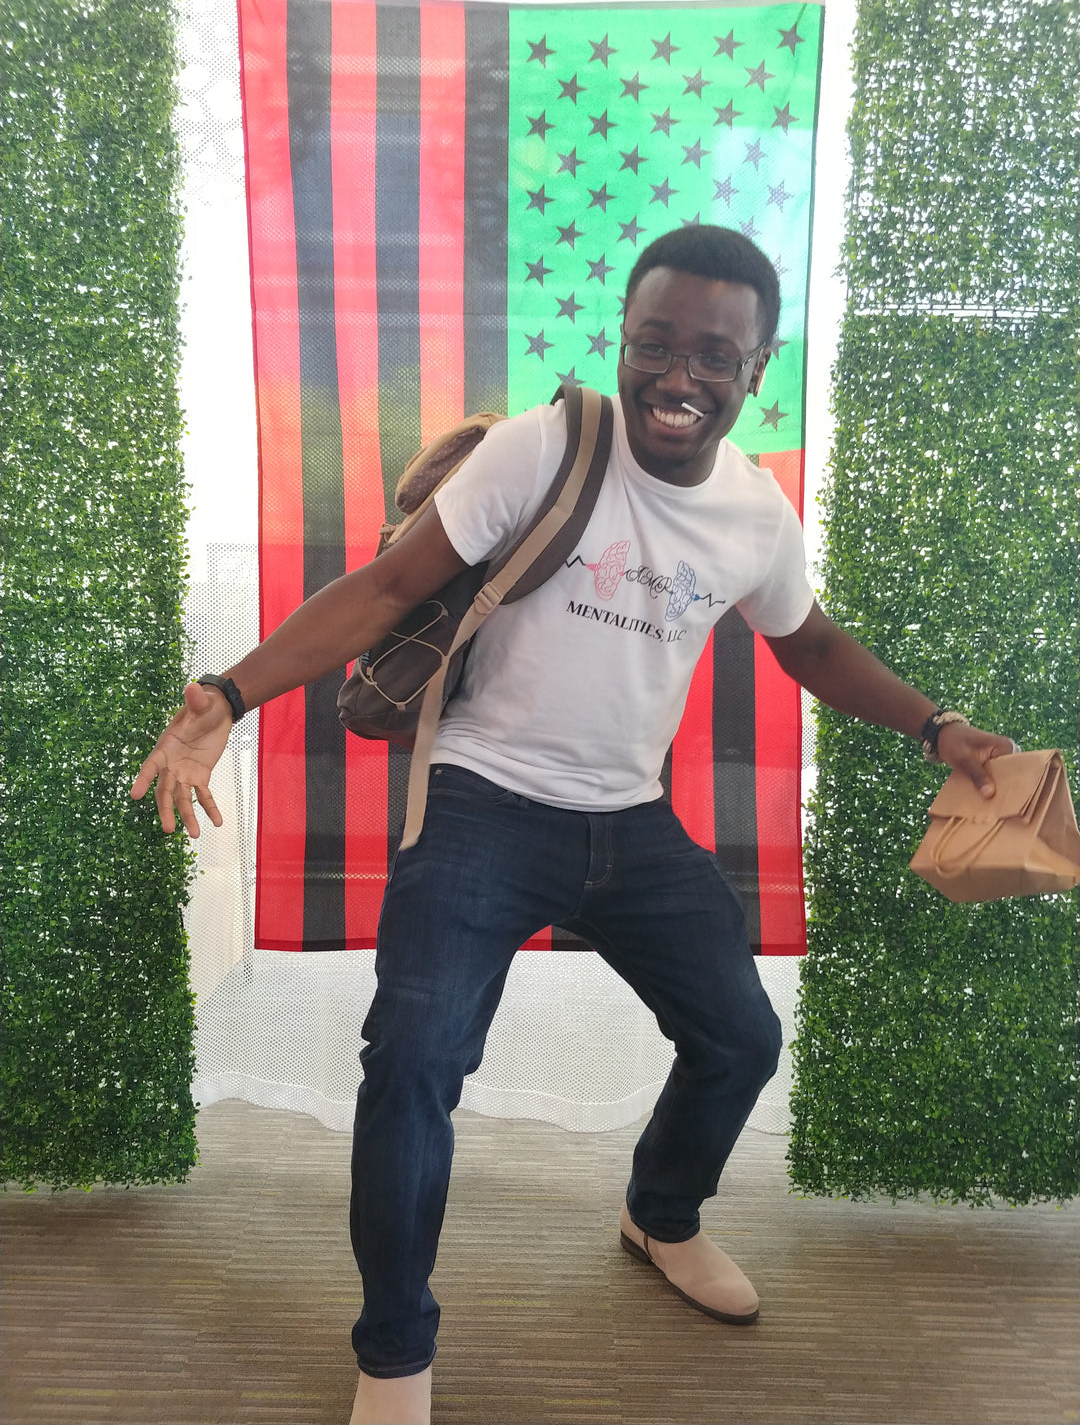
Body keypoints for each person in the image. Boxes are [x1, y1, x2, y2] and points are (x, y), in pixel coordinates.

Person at [132, 226, 1014, 1425]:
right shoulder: (538, 449)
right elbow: (387, 589)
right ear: (625, 340)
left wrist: (939, 726)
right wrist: (225, 696)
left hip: (631, 823)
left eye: (714, 353)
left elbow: (808, 643)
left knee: (741, 1039)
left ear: (758, 364)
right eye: (655, 344)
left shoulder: (754, 512)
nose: (679, 377)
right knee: (415, 1064)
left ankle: (661, 1216)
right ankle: (395, 1350)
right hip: (484, 807)